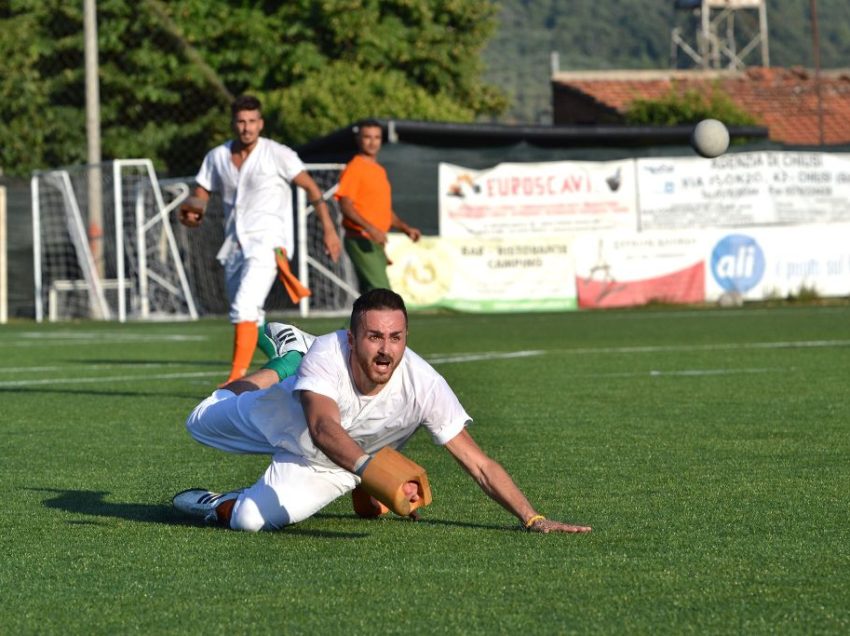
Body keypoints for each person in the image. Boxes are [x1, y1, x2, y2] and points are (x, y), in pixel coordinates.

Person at [173, 288, 591, 535]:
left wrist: (533, 518)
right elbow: (321, 427)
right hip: (283, 418)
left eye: (395, 337)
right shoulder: (329, 352)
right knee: (199, 420)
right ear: (352, 338)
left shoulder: (424, 383)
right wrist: (373, 473)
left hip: (338, 462)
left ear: (406, 336)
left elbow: (478, 463)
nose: (385, 348)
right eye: (373, 336)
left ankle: (217, 503)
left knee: (248, 520)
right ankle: (286, 360)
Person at [179, 94, 342, 385]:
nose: (247, 127)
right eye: (241, 121)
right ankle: (293, 358)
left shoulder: (277, 153)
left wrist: (329, 229)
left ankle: (235, 379)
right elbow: (201, 192)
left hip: (269, 243)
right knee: (250, 316)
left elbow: (311, 188)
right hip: (234, 246)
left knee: (244, 306)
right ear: (233, 124)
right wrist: (193, 211)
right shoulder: (217, 157)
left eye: (252, 121)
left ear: (261, 123)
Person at [334, 119, 421, 293]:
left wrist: (405, 228)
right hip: (361, 238)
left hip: (376, 241)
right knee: (382, 293)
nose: (372, 142)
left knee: (370, 299)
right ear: (358, 139)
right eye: (367, 137)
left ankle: (359, 321)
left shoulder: (379, 170)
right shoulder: (355, 168)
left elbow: (383, 211)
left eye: (377, 137)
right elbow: (346, 205)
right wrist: (371, 229)